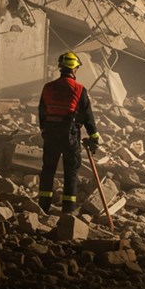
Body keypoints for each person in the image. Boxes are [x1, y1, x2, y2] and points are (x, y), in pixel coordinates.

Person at [38, 51, 100, 214]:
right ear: (74, 69)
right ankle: (67, 209)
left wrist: (44, 130)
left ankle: (43, 206)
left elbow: (42, 111)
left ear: (61, 68)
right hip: (69, 135)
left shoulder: (48, 87)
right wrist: (94, 138)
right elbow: (88, 117)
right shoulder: (79, 90)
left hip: (51, 133)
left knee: (48, 170)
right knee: (70, 172)